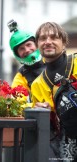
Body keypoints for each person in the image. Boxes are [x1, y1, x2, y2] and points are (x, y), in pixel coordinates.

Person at [31, 22, 77, 161]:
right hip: (67, 149)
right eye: (43, 38)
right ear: (38, 45)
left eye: (53, 37)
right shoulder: (37, 84)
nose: (48, 42)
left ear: (64, 43)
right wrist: (41, 112)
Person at [8, 19, 46, 104]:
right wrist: (35, 107)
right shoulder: (20, 76)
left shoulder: (52, 60)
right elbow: (17, 104)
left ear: (36, 44)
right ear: (17, 54)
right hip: (42, 114)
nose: (27, 50)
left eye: (29, 45)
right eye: (21, 48)